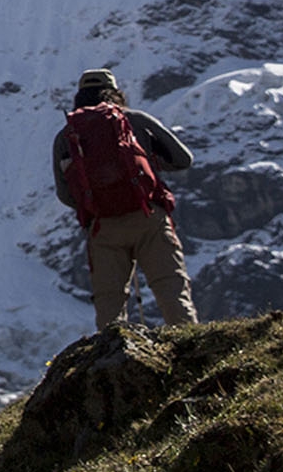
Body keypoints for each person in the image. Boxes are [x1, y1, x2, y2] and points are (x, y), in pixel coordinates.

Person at [52, 68, 197, 330]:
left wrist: (96, 204)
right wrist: (150, 165)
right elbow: (183, 158)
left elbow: (65, 193)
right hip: (148, 216)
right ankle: (194, 355)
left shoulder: (66, 136)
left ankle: (116, 360)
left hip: (103, 227)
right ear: (116, 93)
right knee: (171, 289)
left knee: (110, 305)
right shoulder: (136, 120)